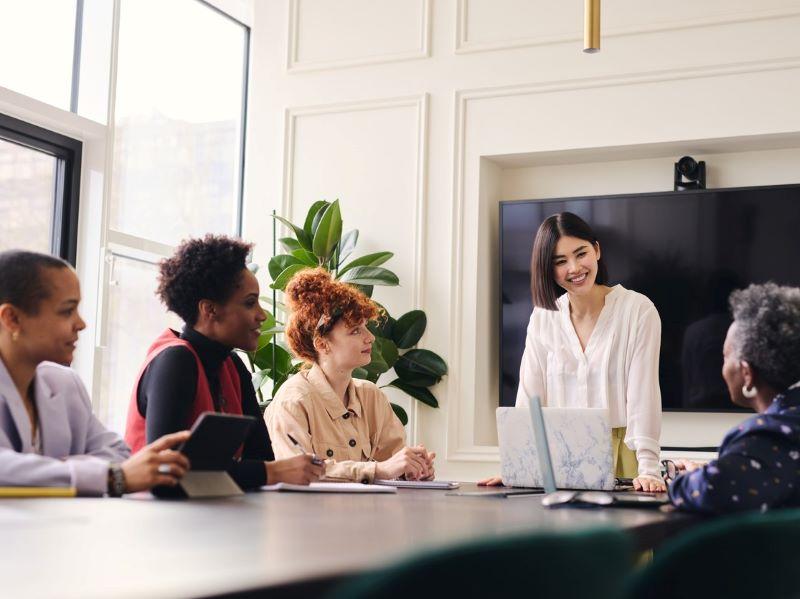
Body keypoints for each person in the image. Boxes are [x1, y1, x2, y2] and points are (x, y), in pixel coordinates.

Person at [481, 212, 665, 492]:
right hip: (558, 458)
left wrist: (649, 469)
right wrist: (517, 465)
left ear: (597, 250)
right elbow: (529, 399)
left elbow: (644, 396)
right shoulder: (543, 317)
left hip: (624, 459)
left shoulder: (638, 310)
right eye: (560, 261)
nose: (575, 268)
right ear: (548, 269)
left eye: (581, 254)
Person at [125, 235, 323, 489]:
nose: (262, 315)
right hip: (158, 519)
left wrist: (268, 470)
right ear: (210, 310)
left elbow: (260, 458)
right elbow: (167, 472)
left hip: (209, 517)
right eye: (250, 303)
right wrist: (270, 472)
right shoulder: (175, 361)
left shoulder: (232, 365)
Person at [0, 250, 190, 496]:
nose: (81, 323)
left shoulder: (65, 384)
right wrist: (109, 477)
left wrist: (47, 474)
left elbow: (119, 453)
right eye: (67, 311)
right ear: (12, 319)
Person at [264, 268, 435, 483]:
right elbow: (295, 473)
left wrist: (413, 469)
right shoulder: (293, 401)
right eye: (355, 331)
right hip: (309, 516)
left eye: (366, 327)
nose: (370, 337)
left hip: (368, 514)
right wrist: (377, 470)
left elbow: (393, 463)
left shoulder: (371, 396)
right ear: (322, 344)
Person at [669, 283, 800, 513]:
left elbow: (712, 489)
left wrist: (683, 479)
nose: (722, 366)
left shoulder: (766, 436)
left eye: (725, 356)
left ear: (746, 373)